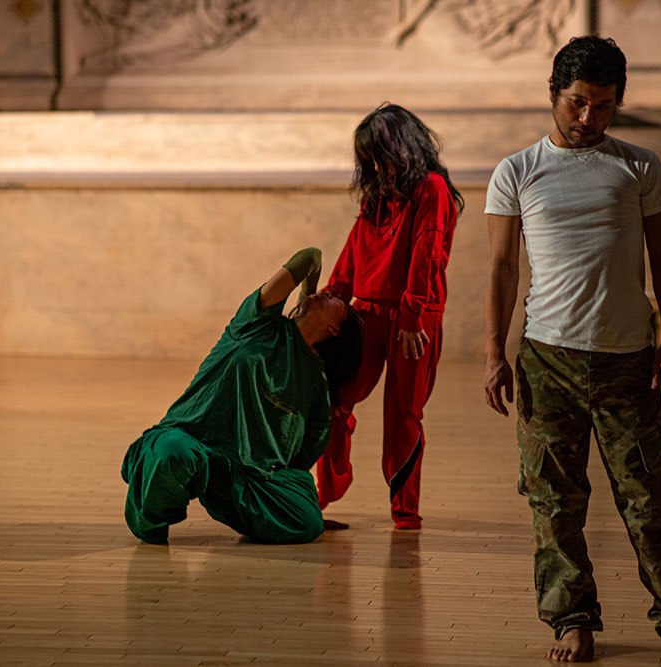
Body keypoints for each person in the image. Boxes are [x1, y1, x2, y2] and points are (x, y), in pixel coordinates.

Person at [483, 37, 661, 665]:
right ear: (553, 94)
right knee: (552, 500)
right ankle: (572, 620)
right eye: (578, 103)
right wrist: (492, 353)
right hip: (545, 360)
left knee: (650, 495)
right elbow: (501, 269)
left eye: (604, 107)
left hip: (626, 359)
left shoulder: (640, 167)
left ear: (618, 104)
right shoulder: (517, 171)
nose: (588, 119)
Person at [121, 247, 363, 545]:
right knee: (171, 452)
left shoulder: (316, 383)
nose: (328, 292)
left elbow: (301, 458)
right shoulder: (256, 322)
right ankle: (149, 523)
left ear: (335, 330)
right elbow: (309, 258)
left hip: (244, 476)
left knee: (308, 523)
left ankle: (256, 503)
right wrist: (308, 298)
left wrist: (291, 501)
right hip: (191, 441)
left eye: (336, 299)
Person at [317, 102, 464, 530]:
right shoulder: (377, 197)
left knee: (403, 414)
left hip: (412, 320)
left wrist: (413, 315)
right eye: (368, 160)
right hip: (365, 316)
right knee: (335, 401)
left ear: (402, 147)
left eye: (379, 155)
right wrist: (331, 300)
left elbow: (428, 254)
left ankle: (405, 513)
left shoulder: (432, 188)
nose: (375, 167)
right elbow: (351, 257)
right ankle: (323, 496)